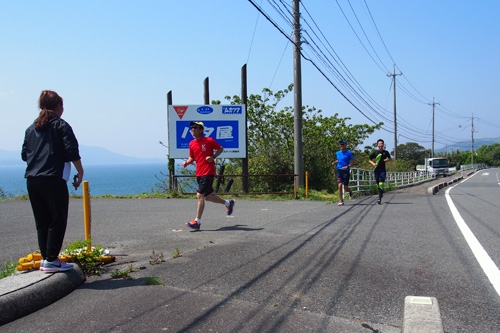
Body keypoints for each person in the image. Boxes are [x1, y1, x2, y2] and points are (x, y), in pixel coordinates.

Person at [21, 90, 84, 272]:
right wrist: (80, 172)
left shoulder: (31, 129)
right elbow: (72, 151)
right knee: (57, 218)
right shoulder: (61, 126)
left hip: (32, 179)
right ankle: (51, 260)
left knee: (42, 221)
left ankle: (47, 258)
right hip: (53, 178)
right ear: (58, 107)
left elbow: (25, 155)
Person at [182, 121, 235, 230]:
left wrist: (213, 157)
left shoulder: (209, 140)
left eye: (195, 127)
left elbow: (220, 148)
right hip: (199, 173)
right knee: (207, 197)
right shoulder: (191, 143)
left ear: (201, 130)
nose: (193, 129)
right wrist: (187, 162)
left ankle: (197, 222)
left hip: (208, 172)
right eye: (192, 128)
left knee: (199, 195)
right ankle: (228, 203)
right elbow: (192, 157)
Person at [369, 139, 392, 204]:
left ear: (383, 144)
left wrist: (387, 160)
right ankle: (381, 193)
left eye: (382, 143)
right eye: (379, 143)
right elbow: (370, 159)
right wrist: (373, 164)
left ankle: (379, 198)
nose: (380, 145)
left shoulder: (386, 152)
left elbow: (390, 159)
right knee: (378, 184)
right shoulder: (375, 152)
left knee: (381, 182)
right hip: (376, 170)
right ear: (377, 145)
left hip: (382, 170)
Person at [332, 139, 354, 206]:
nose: (342, 145)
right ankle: (341, 200)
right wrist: (335, 162)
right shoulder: (337, 153)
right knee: (339, 185)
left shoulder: (349, 153)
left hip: (346, 171)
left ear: (345, 145)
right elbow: (339, 160)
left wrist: (347, 166)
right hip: (339, 170)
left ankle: (350, 191)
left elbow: (352, 162)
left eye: (343, 144)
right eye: (341, 144)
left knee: (345, 187)